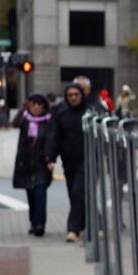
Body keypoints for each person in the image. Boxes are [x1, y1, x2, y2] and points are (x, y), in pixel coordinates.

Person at [50, 78, 91, 244]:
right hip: (68, 160)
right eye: (70, 95)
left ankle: (73, 228)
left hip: (87, 159)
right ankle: (93, 223)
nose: (73, 97)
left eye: (76, 94)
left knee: (78, 191)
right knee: (76, 194)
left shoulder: (89, 112)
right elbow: (55, 137)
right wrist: (51, 157)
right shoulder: (61, 114)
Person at [13, 94, 59, 238]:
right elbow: (14, 124)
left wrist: (50, 158)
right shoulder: (25, 119)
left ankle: (40, 224)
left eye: (40, 104)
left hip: (41, 163)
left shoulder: (49, 121)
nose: (37, 107)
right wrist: (22, 109)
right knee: (31, 194)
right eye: (34, 104)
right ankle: (33, 222)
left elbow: (51, 140)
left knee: (40, 192)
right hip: (26, 162)